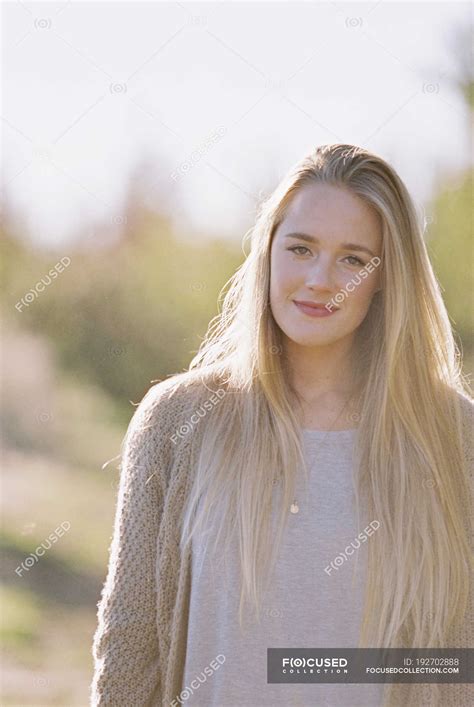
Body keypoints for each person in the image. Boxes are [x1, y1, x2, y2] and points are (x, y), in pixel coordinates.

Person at [90, 144, 473, 707]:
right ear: (267, 253)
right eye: (301, 248)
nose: (320, 279)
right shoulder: (178, 420)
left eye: (352, 259)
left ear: (386, 276)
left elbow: (459, 662)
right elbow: (129, 647)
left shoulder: (454, 437)